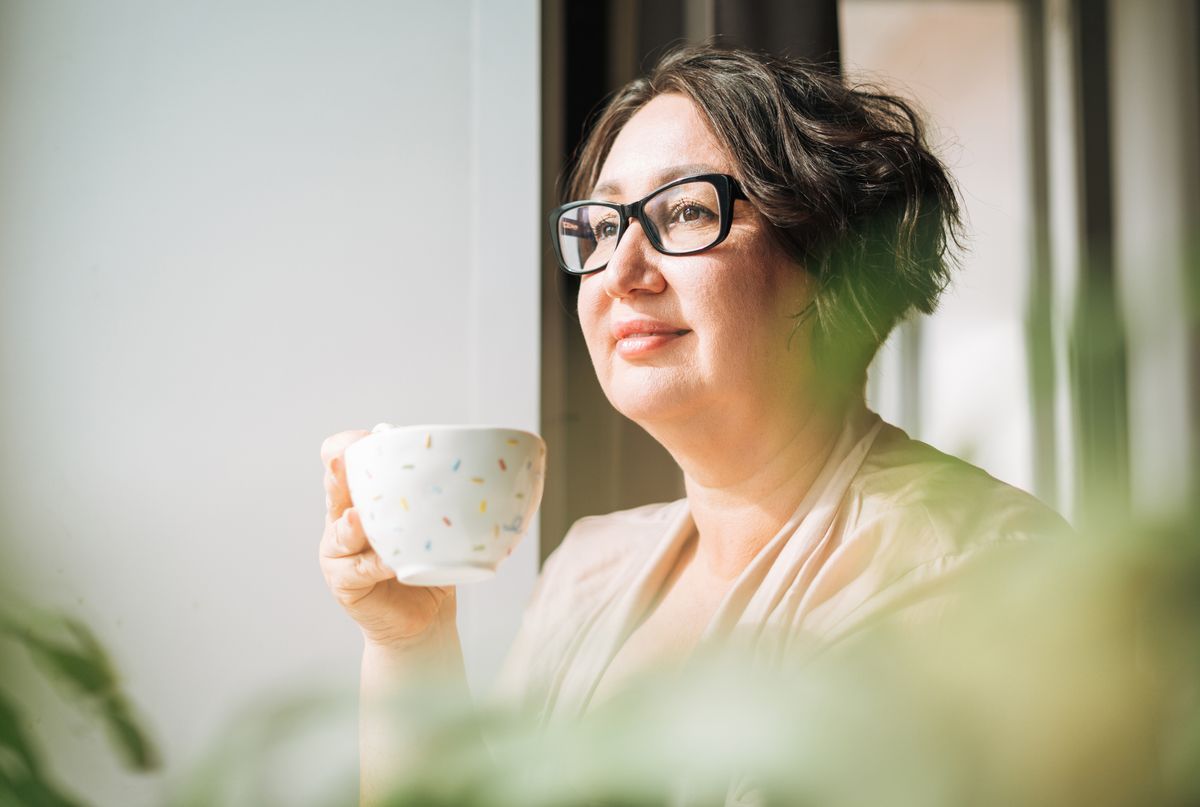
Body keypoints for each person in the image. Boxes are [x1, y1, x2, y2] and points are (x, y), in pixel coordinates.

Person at [318, 45, 1070, 803]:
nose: (620, 271)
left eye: (686, 211)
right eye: (602, 224)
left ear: (833, 257)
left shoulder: (972, 570)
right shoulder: (587, 571)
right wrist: (410, 639)